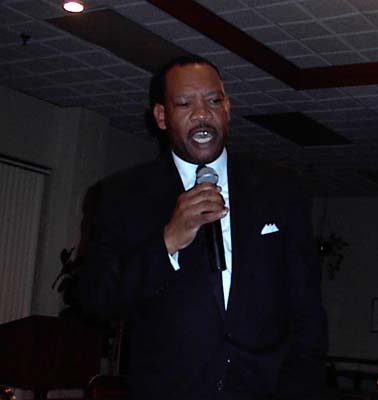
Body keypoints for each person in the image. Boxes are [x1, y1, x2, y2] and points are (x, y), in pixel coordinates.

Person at [79, 55, 327, 400]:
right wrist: (167, 242)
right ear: (161, 116)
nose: (201, 114)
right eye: (185, 103)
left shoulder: (280, 188)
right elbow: (95, 301)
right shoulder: (121, 196)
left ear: (227, 109)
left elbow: (307, 308)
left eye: (213, 101)